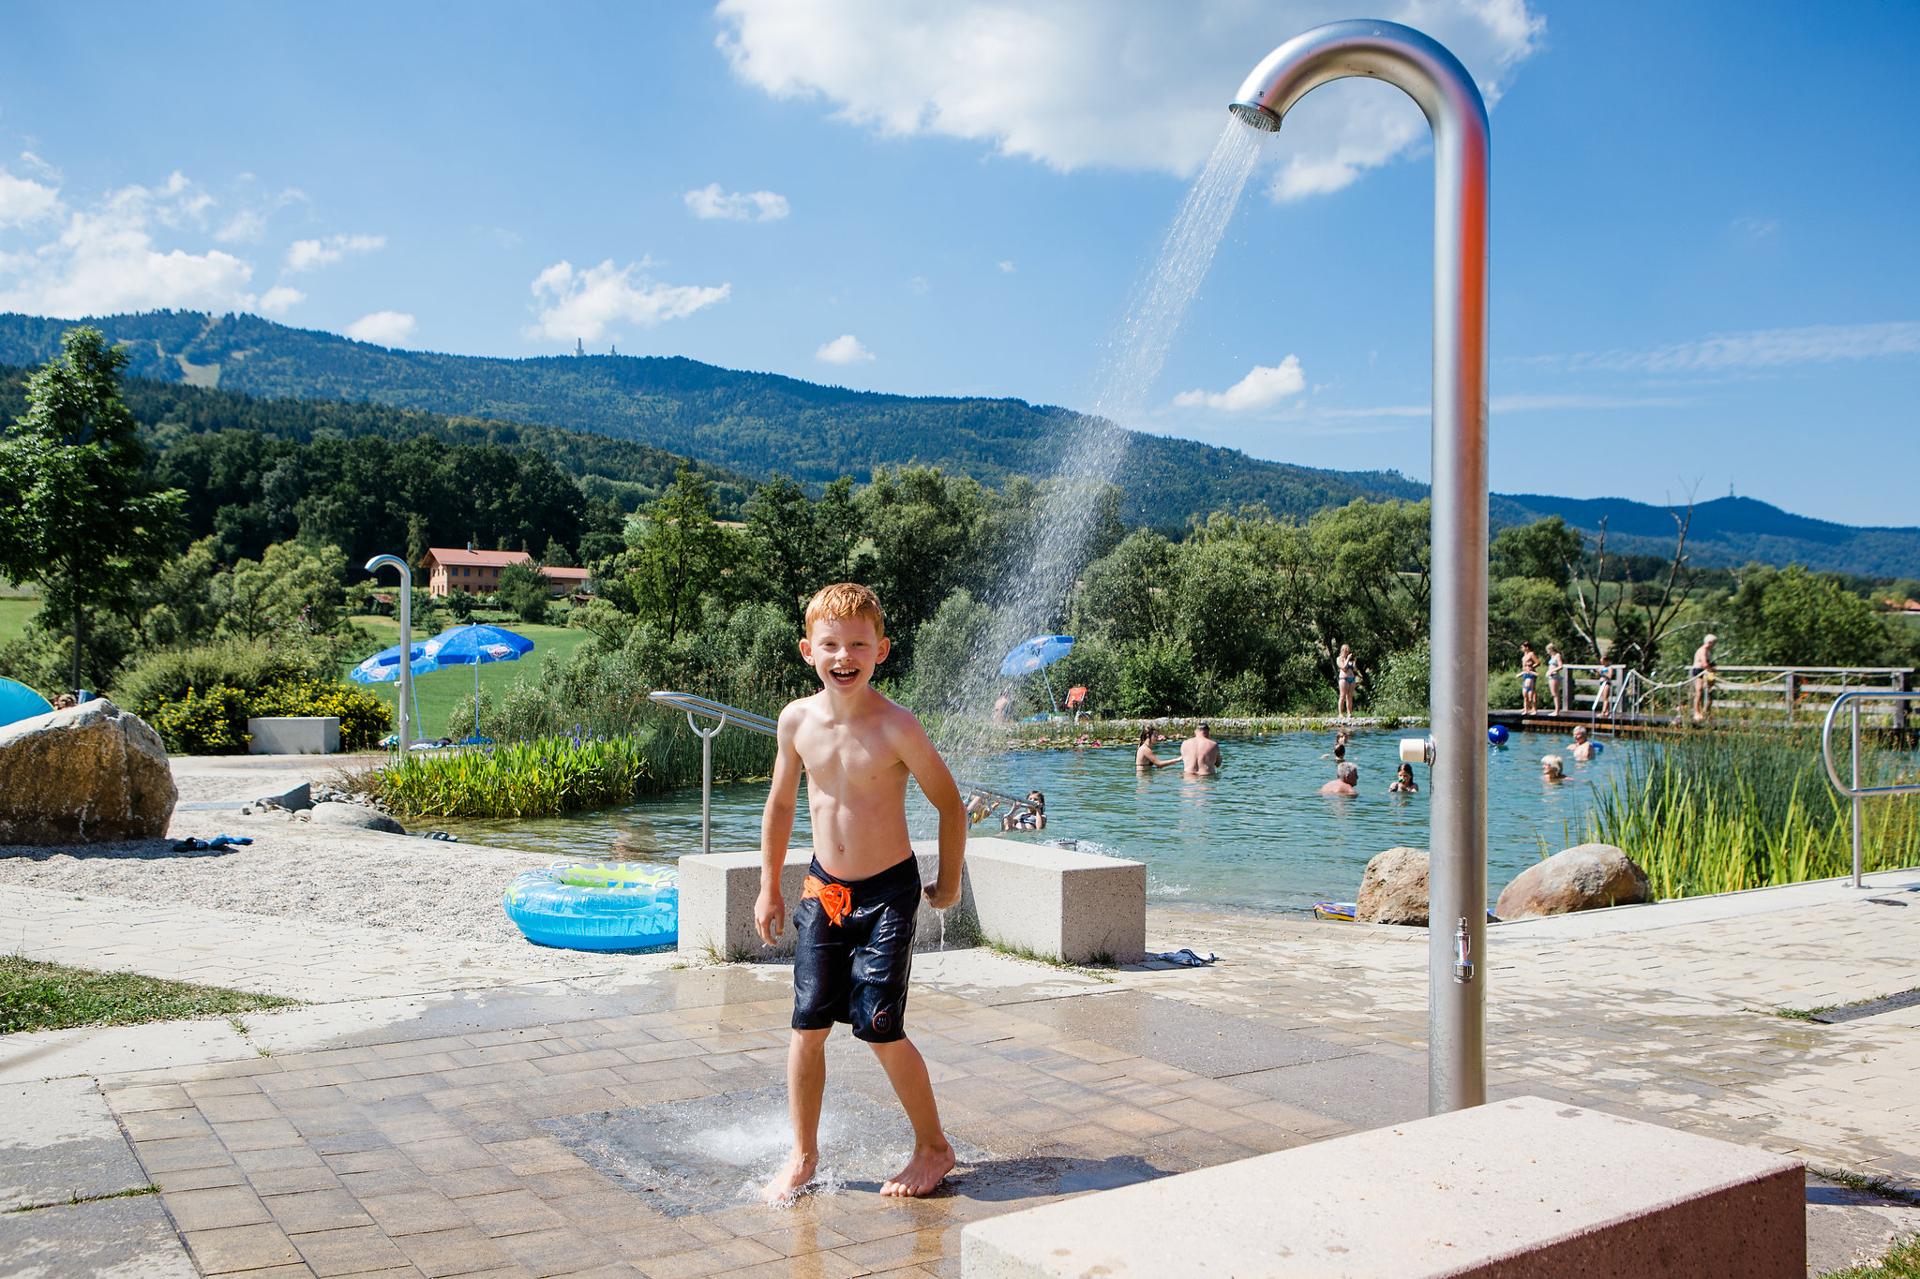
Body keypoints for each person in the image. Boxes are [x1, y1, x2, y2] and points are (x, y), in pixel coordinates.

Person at [755, 583, 967, 1202]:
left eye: (857, 644)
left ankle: (933, 1148)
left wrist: (948, 881)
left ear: (881, 650)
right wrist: (770, 887)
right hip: (823, 891)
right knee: (807, 1024)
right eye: (830, 645)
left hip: (886, 895)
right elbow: (781, 804)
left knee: (878, 1026)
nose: (843, 656)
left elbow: (950, 806)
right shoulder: (796, 720)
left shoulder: (897, 726)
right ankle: (802, 1156)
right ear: (807, 650)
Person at [1690, 634, 1718, 724]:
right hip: (1700, 671)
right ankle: (1696, 712)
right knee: (1699, 692)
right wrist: (1712, 670)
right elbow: (1704, 664)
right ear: (1709, 642)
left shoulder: (1708, 652)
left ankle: (1707, 713)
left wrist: (1712, 674)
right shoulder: (1703, 650)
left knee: (1710, 691)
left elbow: (1709, 664)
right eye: (1714, 643)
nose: (1714, 645)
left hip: (1708, 672)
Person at [1335, 645, 1360, 718]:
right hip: (1343, 679)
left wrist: (1354, 662)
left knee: (1349, 697)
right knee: (1342, 696)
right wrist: (1347, 659)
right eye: (1345, 651)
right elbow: (1344, 668)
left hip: (1351, 679)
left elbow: (1354, 670)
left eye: (1348, 651)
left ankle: (1349, 713)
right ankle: (1340, 713)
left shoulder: (1350, 660)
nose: (1346, 652)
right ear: (1342, 651)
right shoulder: (1339, 659)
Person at [1520, 642, 1539, 715]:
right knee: (1525, 691)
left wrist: (1531, 668)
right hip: (1525, 675)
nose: (1521, 649)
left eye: (1522, 647)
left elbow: (1538, 662)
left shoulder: (1531, 654)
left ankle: (1534, 708)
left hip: (1531, 675)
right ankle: (1526, 707)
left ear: (1527, 647)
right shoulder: (1524, 655)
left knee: (1532, 691)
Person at [1545, 644, 1565, 714]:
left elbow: (1561, 666)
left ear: (1551, 649)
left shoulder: (1557, 655)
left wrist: (1552, 671)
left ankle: (1557, 711)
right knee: (1553, 693)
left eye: (1548, 650)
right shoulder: (1552, 656)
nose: (1547, 652)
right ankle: (1556, 710)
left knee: (1555, 693)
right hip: (1551, 676)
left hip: (1555, 676)